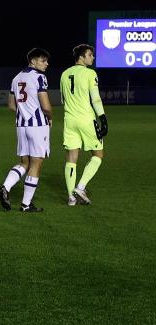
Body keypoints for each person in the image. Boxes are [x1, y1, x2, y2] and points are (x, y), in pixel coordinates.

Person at [0, 48, 52, 213]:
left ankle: (5, 187)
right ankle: (26, 204)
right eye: (43, 60)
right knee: (36, 164)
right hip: (38, 126)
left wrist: (24, 113)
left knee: (24, 163)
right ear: (33, 61)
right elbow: (46, 105)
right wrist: (49, 116)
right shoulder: (39, 77)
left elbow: (11, 105)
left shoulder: (16, 77)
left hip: (21, 125)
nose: (47, 64)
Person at [60, 44, 107, 205]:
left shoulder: (64, 74)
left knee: (71, 158)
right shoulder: (90, 73)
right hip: (87, 119)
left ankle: (71, 198)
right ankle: (80, 187)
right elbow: (95, 98)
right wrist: (103, 118)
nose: (92, 58)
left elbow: (62, 100)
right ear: (81, 57)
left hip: (69, 120)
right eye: (90, 55)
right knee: (98, 155)